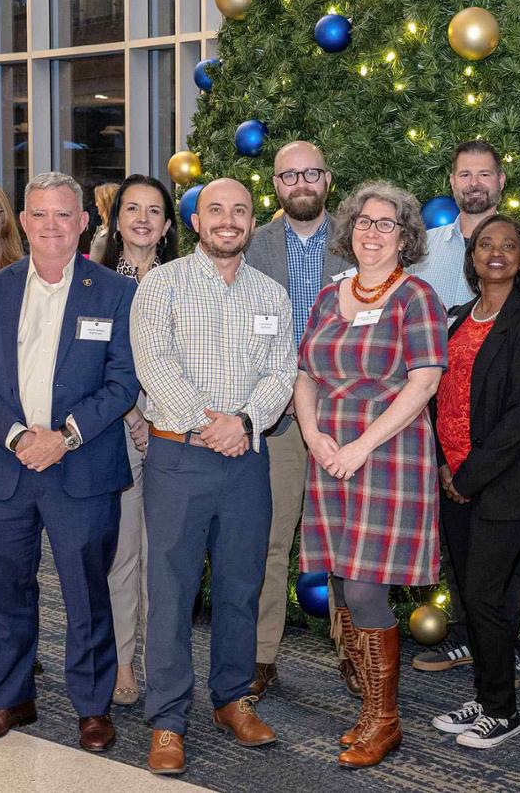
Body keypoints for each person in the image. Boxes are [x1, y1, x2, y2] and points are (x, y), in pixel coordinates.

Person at [0, 172, 139, 754]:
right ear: (23, 222)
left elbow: (124, 380)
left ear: (84, 222)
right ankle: (10, 699)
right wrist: (15, 437)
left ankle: (91, 706)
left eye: (64, 215)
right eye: (39, 214)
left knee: (87, 592)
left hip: (80, 467)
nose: (51, 226)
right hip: (5, 470)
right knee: (6, 590)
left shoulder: (115, 292)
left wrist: (65, 436)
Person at [132, 177, 296, 775]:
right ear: (196, 221)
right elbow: (154, 363)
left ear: (253, 221)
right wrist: (211, 425)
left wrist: (247, 422)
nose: (228, 220)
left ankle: (232, 697)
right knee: (171, 592)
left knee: (241, 584)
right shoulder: (162, 284)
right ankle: (169, 720)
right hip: (180, 458)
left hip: (246, 459)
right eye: (216, 211)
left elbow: (283, 371)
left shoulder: (270, 295)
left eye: (240, 211)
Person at [295, 180, 448, 768]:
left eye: (386, 224)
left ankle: (386, 719)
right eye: (364, 221)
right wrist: (315, 436)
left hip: (388, 453)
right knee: (340, 581)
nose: (373, 231)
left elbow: (425, 380)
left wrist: (360, 444)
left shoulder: (416, 296)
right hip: (330, 452)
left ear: (405, 237)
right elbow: (306, 374)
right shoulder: (330, 298)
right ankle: (367, 711)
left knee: (364, 586)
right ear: (348, 231)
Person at [428, 215, 520, 750]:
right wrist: (443, 466)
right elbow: (437, 398)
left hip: (502, 485)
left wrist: (469, 475)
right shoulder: (455, 319)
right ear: (472, 257)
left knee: (484, 596)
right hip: (451, 479)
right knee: (476, 593)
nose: (496, 253)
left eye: (509, 246)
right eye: (486, 245)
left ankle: (504, 711)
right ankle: (486, 693)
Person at [241, 141, 354, 698]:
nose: (300, 183)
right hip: (277, 419)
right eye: (289, 175)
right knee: (271, 539)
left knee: (344, 545)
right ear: (276, 184)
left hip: (344, 421)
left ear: (327, 180)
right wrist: (277, 394)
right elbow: (238, 335)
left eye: (310, 173)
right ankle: (262, 656)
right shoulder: (252, 244)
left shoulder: (359, 241)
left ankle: (354, 653)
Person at [98, 173, 179, 706]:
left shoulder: (184, 280)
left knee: (166, 555)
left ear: (168, 225)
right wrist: (133, 415)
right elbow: (94, 359)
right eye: (133, 209)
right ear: (117, 219)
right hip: (117, 426)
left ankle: (164, 663)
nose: (143, 219)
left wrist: (164, 418)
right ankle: (123, 660)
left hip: (175, 428)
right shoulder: (97, 282)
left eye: (154, 211)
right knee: (124, 553)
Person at [415, 140, 520, 314]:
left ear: (501, 180)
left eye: (484, 175)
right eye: (465, 175)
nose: (474, 183)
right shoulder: (423, 245)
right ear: (452, 181)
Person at [86, 181, 121, 261]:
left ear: (107, 203)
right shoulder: (104, 228)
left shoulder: (119, 232)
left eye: (99, 201)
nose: (96, 204)